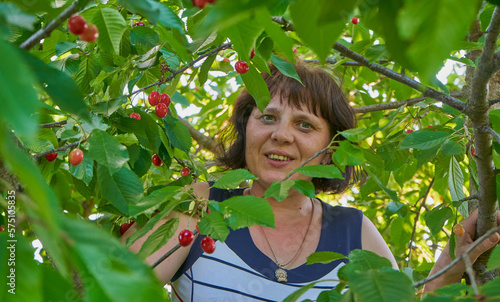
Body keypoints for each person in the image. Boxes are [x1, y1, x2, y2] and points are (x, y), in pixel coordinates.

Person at [122, 62, 499, 301]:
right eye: (267, 117)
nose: (281, 135)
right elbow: (111, 287)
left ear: (332, 147)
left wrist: (448, 269)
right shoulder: (201, 206)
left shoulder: (355, 234)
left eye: (304, 125)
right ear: (246, 129)